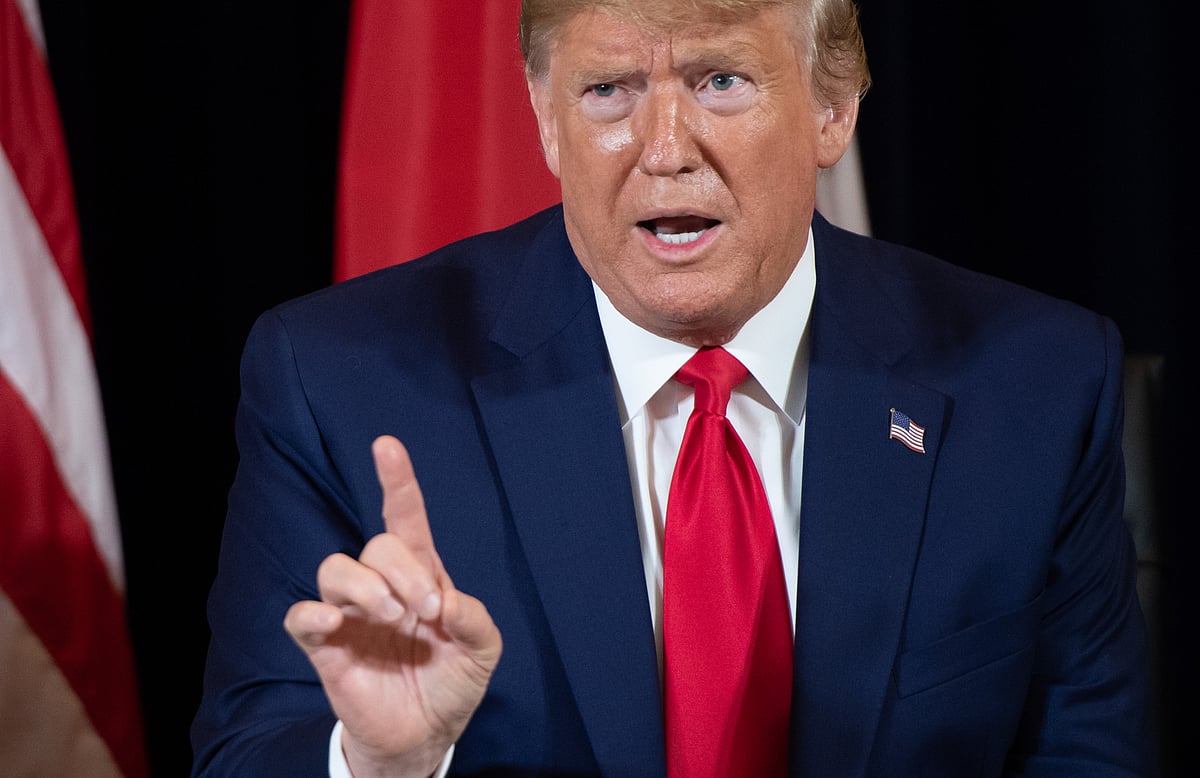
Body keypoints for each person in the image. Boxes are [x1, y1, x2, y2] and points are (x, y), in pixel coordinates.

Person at [191, 0, 1153, 775]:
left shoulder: (1033, 387)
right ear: (544, 117)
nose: (664, 148)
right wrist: (378, 762)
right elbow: (246, 753)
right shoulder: (340, 382)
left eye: (720, 81)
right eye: (607, 89)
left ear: (834, 109)